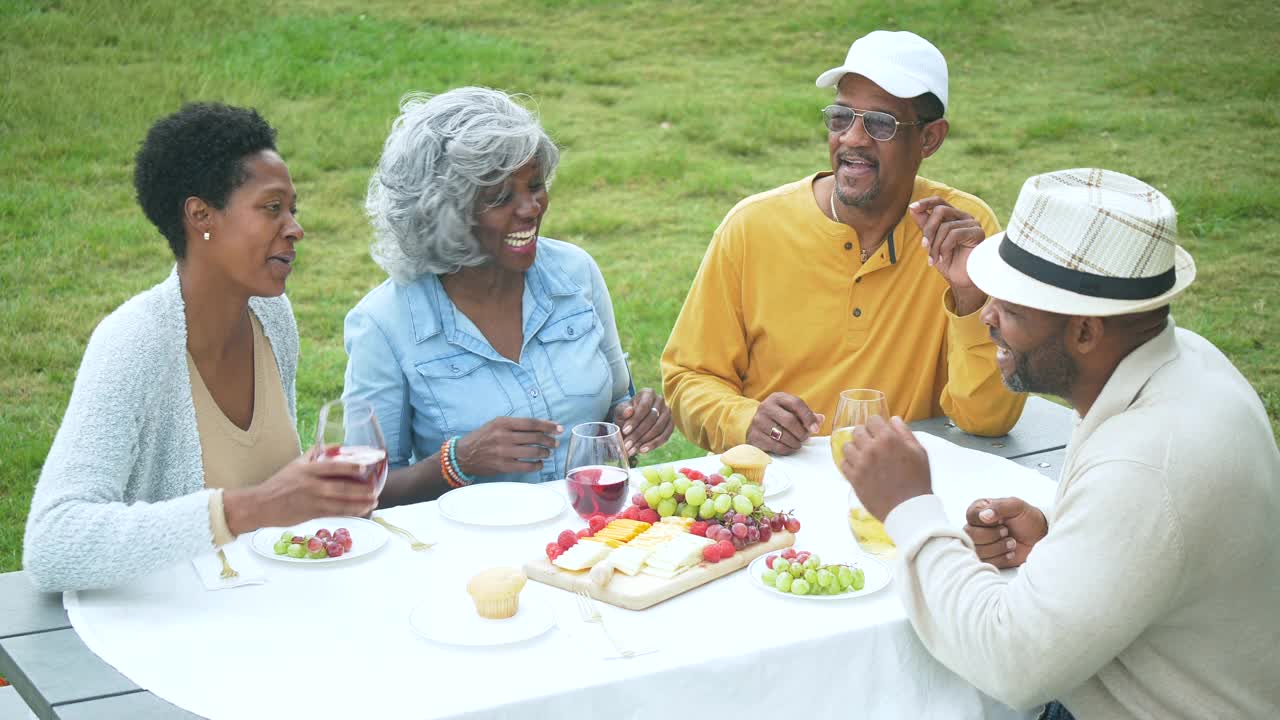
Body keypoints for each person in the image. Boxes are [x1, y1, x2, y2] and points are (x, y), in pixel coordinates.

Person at [839, 168, 1280, 718]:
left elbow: (1008, 664)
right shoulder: (1189, 359)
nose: (989, 319)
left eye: (1014, 311)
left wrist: (908, 506)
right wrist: (1061, 535)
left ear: (1086, 332)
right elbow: (1153, 530)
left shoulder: (1144, 465)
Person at [23, 103, 377, 592]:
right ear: (201, 216)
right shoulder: (134, 343)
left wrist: (305, 485)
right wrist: (247, 508)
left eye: (293, 209)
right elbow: (53, 545)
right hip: (156, 633)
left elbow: (270, 496)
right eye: (272, 208)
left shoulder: (271, 315)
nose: (295, 228)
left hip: (260, 611)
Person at [661, 30, 1025, 455]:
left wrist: (971, 296)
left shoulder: (964, 231)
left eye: (880, 123)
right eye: (841, 117)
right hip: (771, 491)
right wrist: (744, 419)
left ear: (930, 139)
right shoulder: (752, 226)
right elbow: (687, 377)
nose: (852, 138)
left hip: (900, 489)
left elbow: (987, 420)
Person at [343, 87, 673, 504]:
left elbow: (614, 409)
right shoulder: (384, 323)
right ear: (443, 212)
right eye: (501, 197)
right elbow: (361, 492)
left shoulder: (575, 273)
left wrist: (633, 423)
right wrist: (457, 462)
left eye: (535, 186)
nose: (531, 208)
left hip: (588, 537)